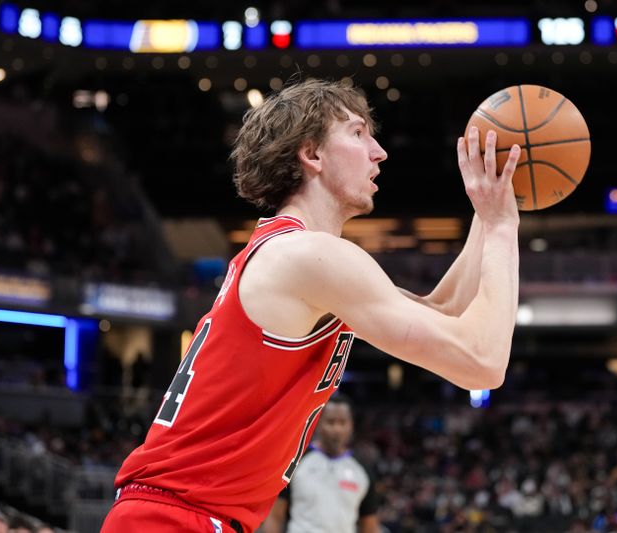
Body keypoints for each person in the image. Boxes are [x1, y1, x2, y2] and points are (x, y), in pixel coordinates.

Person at [101, 78, 521, 533]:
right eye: (359, 134)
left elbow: (447, 313)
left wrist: (487, 209)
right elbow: (482, 362)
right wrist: (501, 228)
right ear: (312, 155)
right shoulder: (307, 257)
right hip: (174, 518)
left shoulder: (298, 257)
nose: (379, 152)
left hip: (184, 515)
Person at [260, 393, 379, 533]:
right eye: (331, 422)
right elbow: (275, 516)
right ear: (318, 422)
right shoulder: (296, 461)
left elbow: (369, 525)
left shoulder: (363, 471)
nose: (337, 429)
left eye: (342, 422)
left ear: (351, 426)